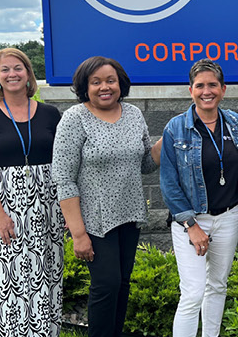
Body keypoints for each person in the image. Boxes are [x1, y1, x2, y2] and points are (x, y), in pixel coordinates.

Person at [51, 56, 159, 337]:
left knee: (122, 283)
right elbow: (63, 178)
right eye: (95, 82)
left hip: (130, 214)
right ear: (84, 86)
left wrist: (169, 139)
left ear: (120, 83)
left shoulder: (134, 114)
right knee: (106, 283)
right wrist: (78, 234)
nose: (104, 87)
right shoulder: (75, 118)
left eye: (110, 80)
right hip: (95, 221)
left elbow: (145, 164)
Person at [159, 60, 238, 337]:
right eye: (200, 85)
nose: (207, 91)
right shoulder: (175, 129)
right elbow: (169, 184)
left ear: (223, 89)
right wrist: (192, 226)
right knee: (192, 293)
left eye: (212, 85)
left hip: (228, 217)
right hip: (190, 221)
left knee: (217, 285)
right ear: (190, 90)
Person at [0, 49, 64, 337]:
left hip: (46, 206)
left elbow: (63, 161)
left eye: (18, 68)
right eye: (5, 69)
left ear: (28, 73)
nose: (12, 74)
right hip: (6, 206)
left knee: (46, 275)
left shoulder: (49, 114)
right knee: (7, 279)